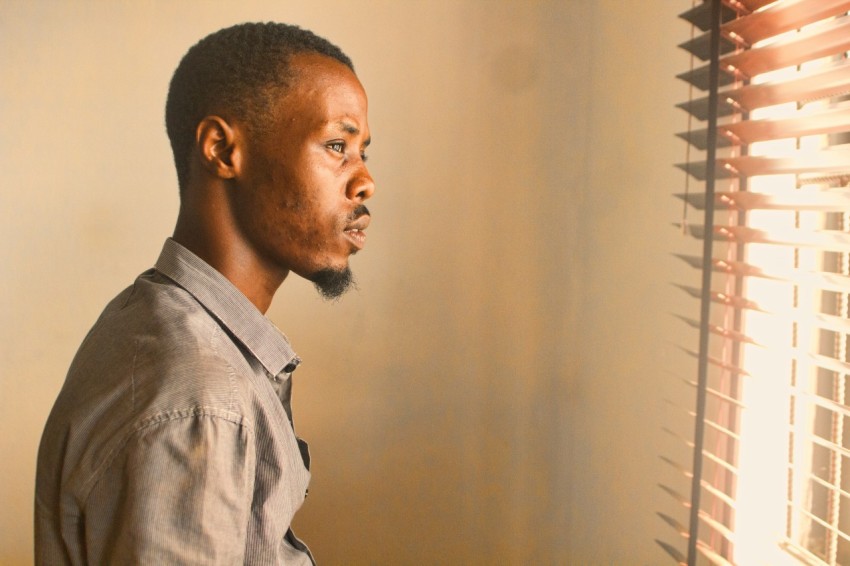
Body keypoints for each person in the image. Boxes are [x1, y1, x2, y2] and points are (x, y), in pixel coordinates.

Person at [34, 22, 374, 564]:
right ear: (221, 149)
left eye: (362, 152)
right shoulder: (199, 400)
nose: (364, 182)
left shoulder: (150, 317)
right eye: (337, 146)